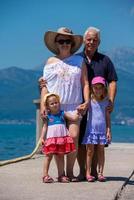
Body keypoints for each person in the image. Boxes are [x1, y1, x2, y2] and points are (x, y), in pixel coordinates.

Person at [40, 27, 89, 181]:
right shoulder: (50, 61)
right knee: (58, 141)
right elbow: (45, 86)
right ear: (56, 43)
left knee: (73, 136)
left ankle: (70, 172)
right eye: (61, 41)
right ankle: (61, 175)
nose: (65, 44)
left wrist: (86, 101)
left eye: (68, 41)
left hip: (74, 105)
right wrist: (43, 105)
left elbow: (85, 83)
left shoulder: (79, 61)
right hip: (55, 107)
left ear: (72, 43)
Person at [77, 26, 118, 181]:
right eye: (89, 39)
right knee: (82, 140)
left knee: (96, 142)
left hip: (99, 107)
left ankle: (94, 171)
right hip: (80, 105)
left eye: (95, 40)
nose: (91, 42)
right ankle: (83, 171)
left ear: (99, 42)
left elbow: (113, 81)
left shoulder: (105, 60)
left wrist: (111, 101)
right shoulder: (76, 59)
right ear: (83, 40)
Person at [40, 93, 79, 183]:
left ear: (59, 103)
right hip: (51, 139)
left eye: (56, 102)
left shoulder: (62, 113)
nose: (55, 104)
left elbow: (73, 118)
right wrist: (42, 137)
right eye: (52, 103)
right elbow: (45, 127)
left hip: (61, 139)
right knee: (48, 156)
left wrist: (78, 112)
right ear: (48, 106)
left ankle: (61, 175)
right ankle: (45, 175)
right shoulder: (48, 116)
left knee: (61, 156)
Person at [82, 76, 112, 182]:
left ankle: (100, 173)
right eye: (96, 87)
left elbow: (108, 118)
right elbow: (84, 111)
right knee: (89, 151)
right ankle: (88, 173)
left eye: (100, 87)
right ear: (92, 88)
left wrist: (108, 130)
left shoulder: (106, 102)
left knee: (101, 151)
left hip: (102, 131)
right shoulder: (89, 100)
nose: (98, 90)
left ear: (104, 88)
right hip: (91, 131)